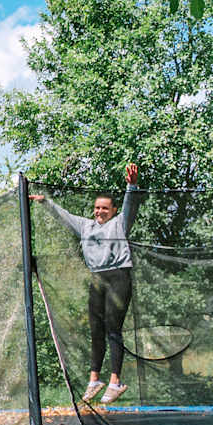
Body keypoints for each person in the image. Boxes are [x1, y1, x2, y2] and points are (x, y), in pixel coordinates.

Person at [36, 163, 142, 405]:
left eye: (104, 208)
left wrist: (132, 186)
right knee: (96, 329)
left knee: (113, 328)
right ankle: (94, 379)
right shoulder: (85, 226)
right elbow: (64, 216)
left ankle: (115, 381)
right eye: (97, 208)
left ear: (113, 210)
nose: (99, 211)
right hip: (97, 278)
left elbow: (130, 205)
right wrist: (45, 202)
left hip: (118, 276)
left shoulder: (120, 223)